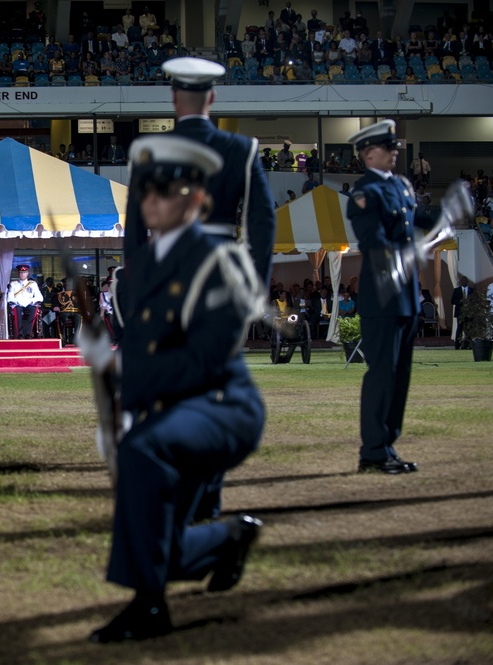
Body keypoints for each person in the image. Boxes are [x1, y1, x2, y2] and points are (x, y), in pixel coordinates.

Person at [80, 135, 264, 644]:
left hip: (222, 406)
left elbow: (204, 361)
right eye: (147, 192)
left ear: (198, 199)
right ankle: (228, 538)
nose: (153, 201)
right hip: (174, 407)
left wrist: (124, 382)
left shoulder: (218, 260)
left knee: (143, 457)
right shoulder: (141, 272)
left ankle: (149, 608)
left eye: (167, 191)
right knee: (157, 533)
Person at [152, 57, 275, 521]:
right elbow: (262, 224)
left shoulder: (154, 150)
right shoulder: (241, 149)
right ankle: (208, 499)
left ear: (172, 98)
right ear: (213, 98)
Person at [346, 119, 471, 474]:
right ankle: (372, 451)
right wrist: (414, 249)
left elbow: (416, 217)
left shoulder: (400, 186)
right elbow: (375, 245)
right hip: (383, 294)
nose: (395, 151)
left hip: (405, 296)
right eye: (389, 147)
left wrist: (443, 217)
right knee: (382, 374)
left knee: (400, 376)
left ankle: (388, 445)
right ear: (369, 154)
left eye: (395, 146)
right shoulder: (364, 193)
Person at [7, 264, 43, 339]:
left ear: (27, 273)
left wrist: (31, 301)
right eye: (21, 272)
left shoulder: (33, 284)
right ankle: (19, 334)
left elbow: (40, 297)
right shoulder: (13, 284)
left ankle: (28, 333)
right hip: (18, 304)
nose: (23, 274)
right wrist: (18, 302)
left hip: (29, 304)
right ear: (18, 273)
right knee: (17, 309)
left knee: (34, 308)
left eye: (24, 272)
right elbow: (9, 298)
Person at [450, 274, 475, 349]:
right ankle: (457, 345)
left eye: (465, 281)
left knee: (468, 329)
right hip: (460, 312)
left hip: (469, 312)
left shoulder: (472, 290)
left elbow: (475, 300)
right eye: (462, 281)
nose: (464, 282)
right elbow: (452, 301)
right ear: (461, 282)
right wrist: (460, 301)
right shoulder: (456, 290)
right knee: (459, 328)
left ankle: (468, 345)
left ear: (467, 282)